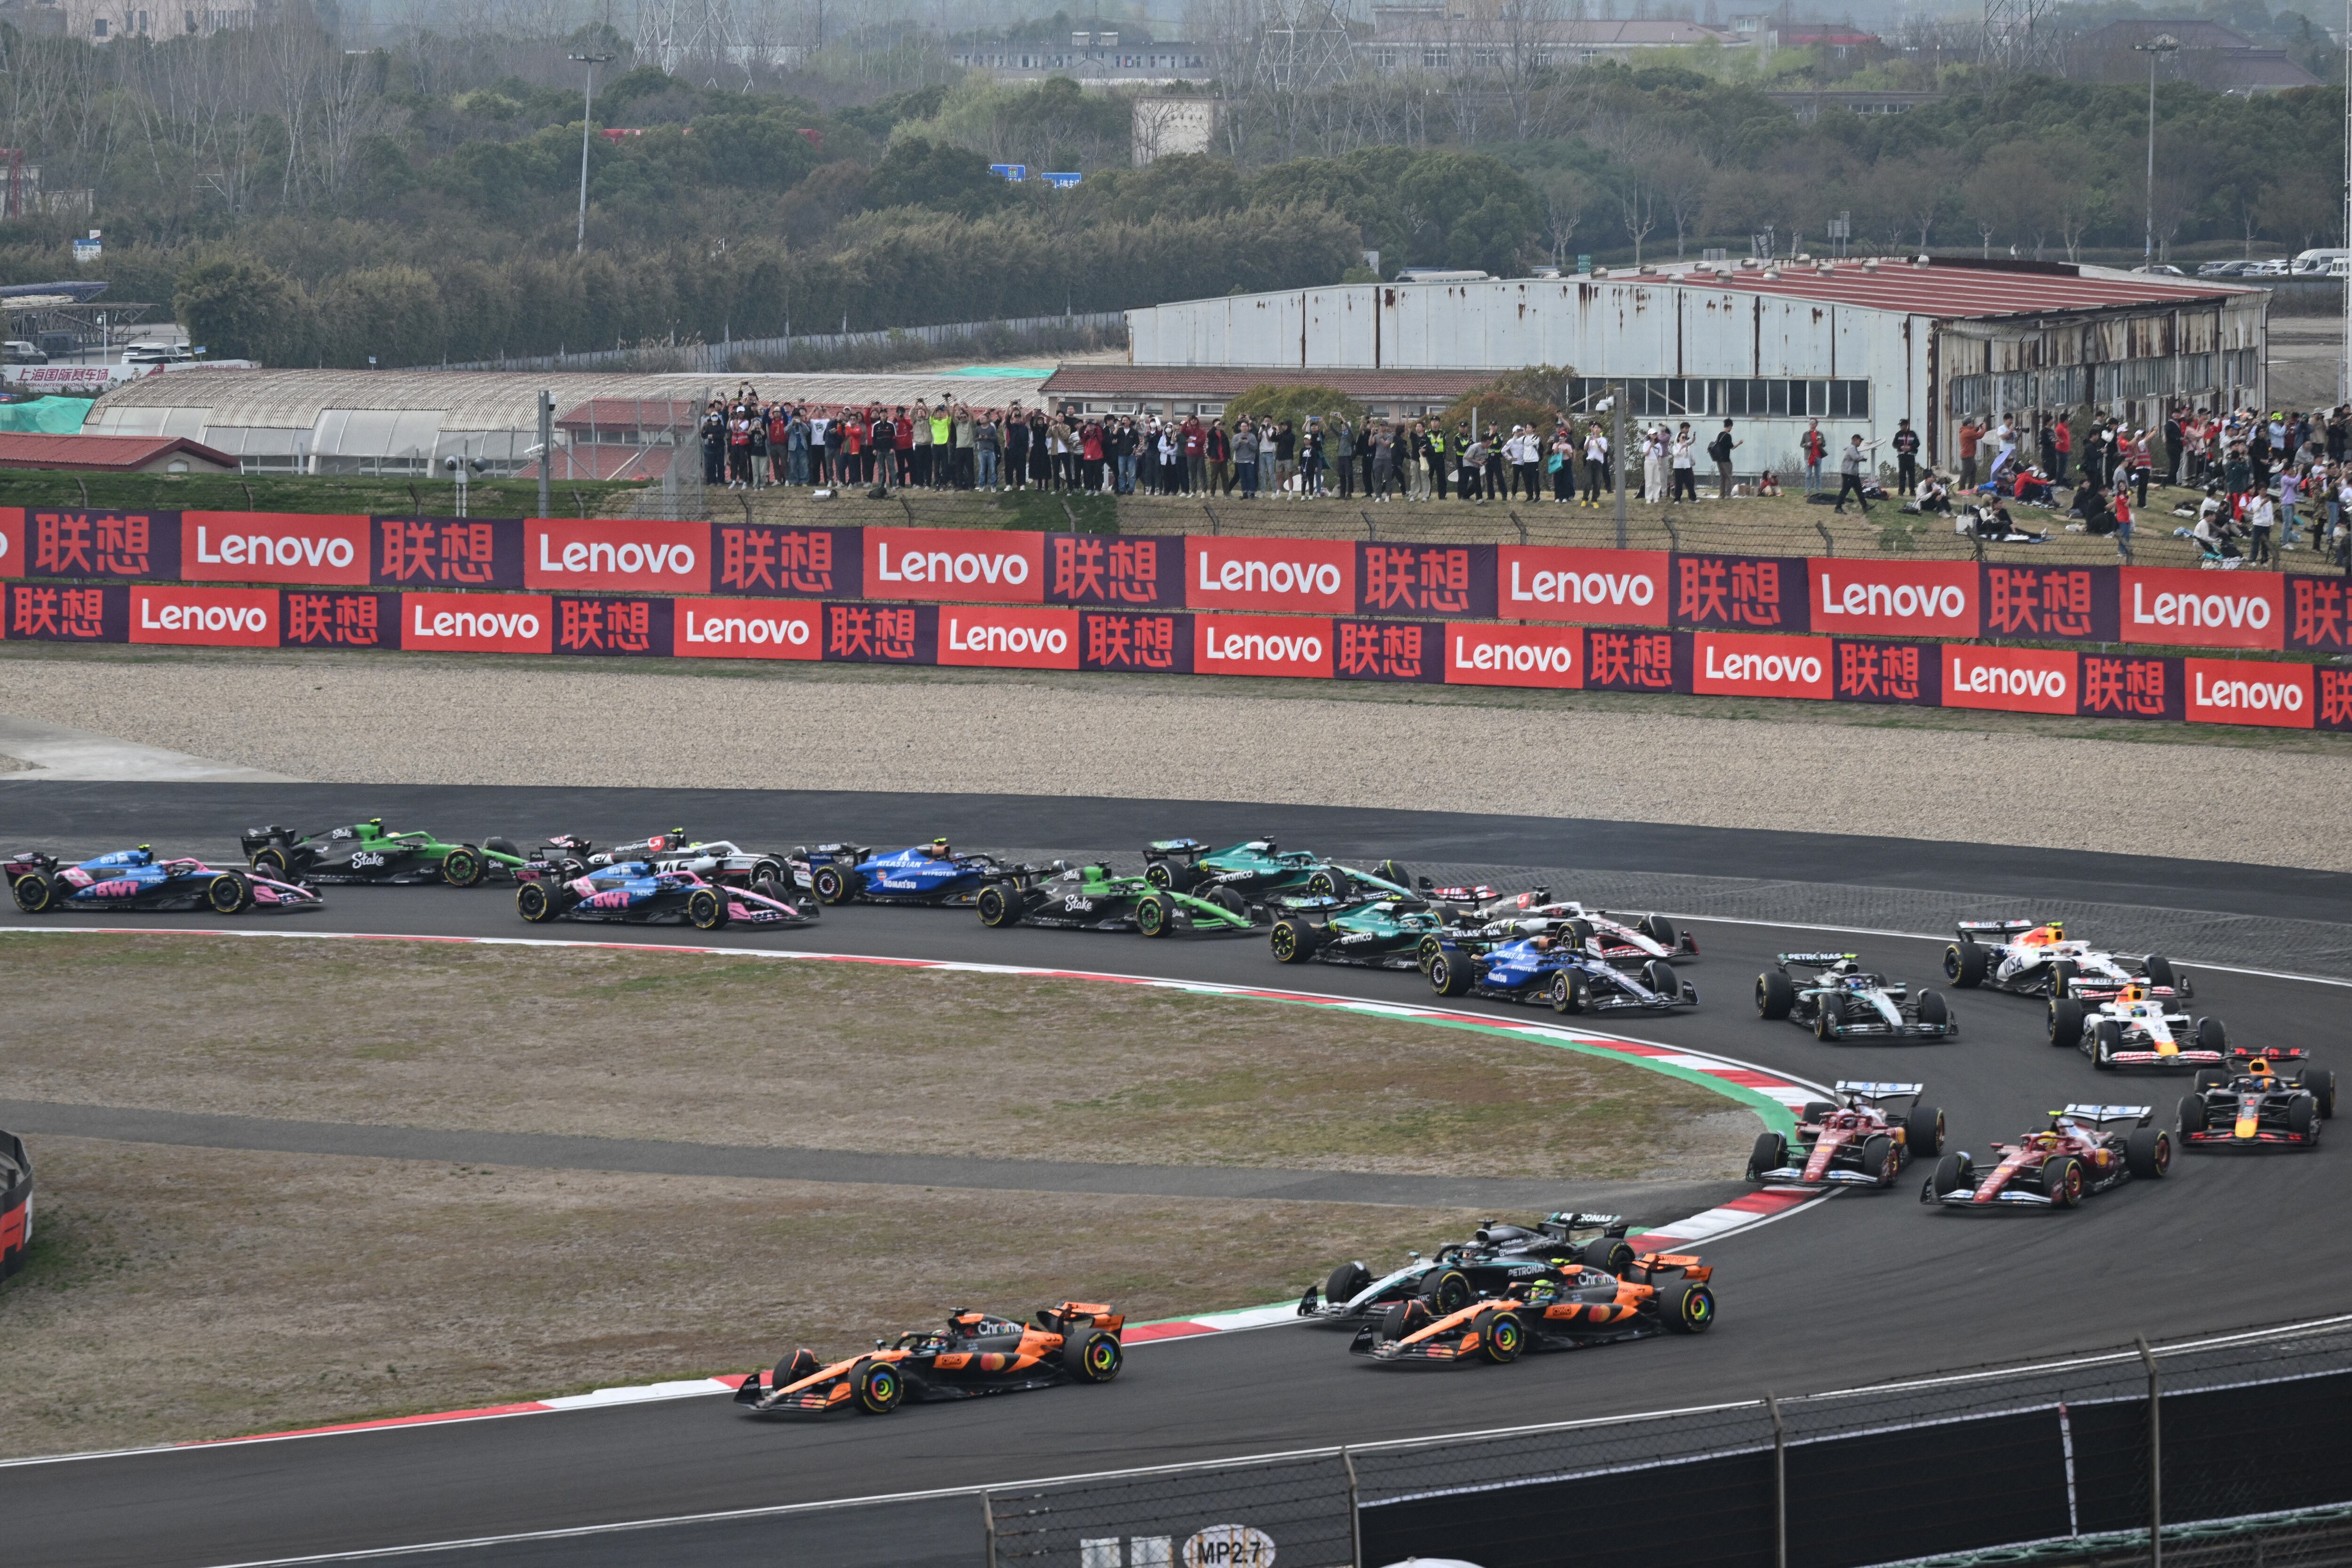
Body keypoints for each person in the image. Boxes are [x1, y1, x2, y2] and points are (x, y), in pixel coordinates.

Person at [1833, 434, 1879, 514]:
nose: (1861, 442)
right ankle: (1838, 508)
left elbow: (1856, 457)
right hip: (1848, 474)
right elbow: (1855, 458)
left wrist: (1861, 458)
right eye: (1860, 441)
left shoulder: (1854, 448)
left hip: (1854, 474)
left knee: (1859, 491)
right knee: (1845, 491)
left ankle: (1865, 507)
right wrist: (1863, 458)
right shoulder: (1851, 448)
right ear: (1855, 440)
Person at [1709, 420, 1740, 499]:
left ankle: (1721, 495)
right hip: (1726, 459)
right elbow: (1732, 447)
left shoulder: (1720, 435)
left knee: (1722, 477)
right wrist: (1739, 443)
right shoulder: (1728, 436)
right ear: (1729, 426)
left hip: (1719, 459)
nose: (1731, 429)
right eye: (1731, 427)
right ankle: (1728, 494)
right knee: (1729, 477)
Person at [1583, 422, 1611, 507]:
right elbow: (1585, 448)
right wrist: (1589, 440)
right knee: (1588, 481)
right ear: (1593, 429)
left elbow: (1604, 451)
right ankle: (1585, 499)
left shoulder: (1603, 440)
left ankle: (1594, 500)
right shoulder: (1589, 437)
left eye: (1599, 428)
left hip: (1599, 462)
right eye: (1595, 428)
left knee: (1597, 482)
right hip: (1590, 461)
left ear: (1601, 430)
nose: (1597, 429)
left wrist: (1598, 444)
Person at [1892, 418, 1921, 496]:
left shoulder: (1913, 434)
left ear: (1906, 425)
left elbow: (1917, 444)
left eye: (1902, 425)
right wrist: (1900, 447)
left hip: (1911, 456)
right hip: (1902, 457)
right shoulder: (1898, 434)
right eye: (1900, 426)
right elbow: (1894, 444)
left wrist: (1911, 447)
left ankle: (1912, 491)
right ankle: (1901, 491)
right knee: (1902, 474)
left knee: (1911, 474)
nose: (1901, 427)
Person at [1670, 422, 1696, 502]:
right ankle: (1677, 499)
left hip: (1687, 465)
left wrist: (1692, 461)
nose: (1687, 430)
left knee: (1690, 482)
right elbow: (1676, 452)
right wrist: (1688, 443)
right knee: (1679, 483)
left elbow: (1689, 453)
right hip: (1679, 465)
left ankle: (1692, 498)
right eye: (1685, 428)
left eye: (1688, 429)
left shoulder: (1687, 443)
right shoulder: (1677, 442)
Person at [1801, 419, 1827, 494]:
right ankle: (1808, 491)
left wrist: (1821, 443)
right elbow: (1802, 445)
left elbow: (1824, 444)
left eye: (1813, 423)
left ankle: (1818, 490)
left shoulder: (1820, 434)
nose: (1812, 424)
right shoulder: (1806, 434)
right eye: (1810, 423)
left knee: (1818, 475)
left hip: (1818, 456)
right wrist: (1807, 445)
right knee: (1808, 475)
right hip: (1809, 457)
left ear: (1816, 424)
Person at [1957, 417, 1982, 491]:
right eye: (1972, 423)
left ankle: (1971, 488)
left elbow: (1973, 432)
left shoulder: (1966, 431)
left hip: (1969, 455)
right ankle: (1961, 489)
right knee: (1966, 472)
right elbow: (1979, 436)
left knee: (1973, 471)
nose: (1973, 425)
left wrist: (1978, 427)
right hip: (1967, 455)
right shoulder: (1967, 432)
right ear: (1969, 424)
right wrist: (1984, 429)